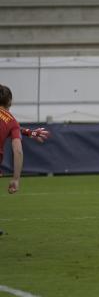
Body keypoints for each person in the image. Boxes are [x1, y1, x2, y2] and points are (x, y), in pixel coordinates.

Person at [0, 84, 50, 236]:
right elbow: (18, 150)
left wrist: (28, 132)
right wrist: (16, 178)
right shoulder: (11, 121)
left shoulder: (12, 124)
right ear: (10, 102)